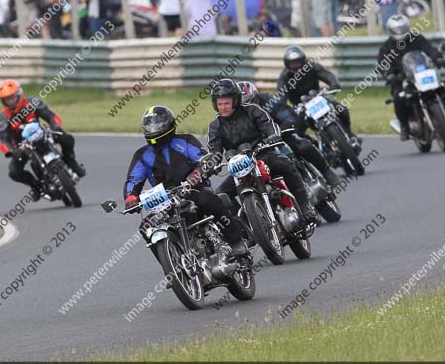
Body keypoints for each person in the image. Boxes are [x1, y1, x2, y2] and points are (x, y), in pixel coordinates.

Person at [123, 105, 247, 259]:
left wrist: (196, 175)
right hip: (166, 202)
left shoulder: (186, 141)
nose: (154, 129)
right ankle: (174, 270)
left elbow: (203, 160)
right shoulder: (141, 155)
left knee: (207, 200)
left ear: (169, 124)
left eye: (158, 124)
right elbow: (133, 180)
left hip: (194, 190)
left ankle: (236, 242)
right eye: (150, 126)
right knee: (145, 227)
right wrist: (131, 198)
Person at [208, 79, 317, 223]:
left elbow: (269, 125)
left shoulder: (252, 110)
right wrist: (211, 164)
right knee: (221, 193)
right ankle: (247, 225)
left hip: (263, 155)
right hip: (239, 166)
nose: (223, 107)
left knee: (286, 164)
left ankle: (305, 206)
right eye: (220, 104)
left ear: (235, 101)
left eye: (226, 103)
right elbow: (214, 150)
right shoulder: (215, 126)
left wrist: (273, 136)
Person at [237, 81, 341, 188]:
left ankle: (326, 171)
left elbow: (287, 115)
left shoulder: (269, 101)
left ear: (256, 97)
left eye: (251, 101)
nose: (250, 106)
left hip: (279, 134)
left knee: (301, 145)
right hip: (257, 145)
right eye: (245, 104)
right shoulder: (235, 116)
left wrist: (281, 131)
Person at [0, 79, 85, 201]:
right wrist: (11, 150)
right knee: (13, 171)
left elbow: (50, 115)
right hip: (23, 146)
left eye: (12, 97)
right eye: (7, 99)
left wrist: (55, 125)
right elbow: (3, 139)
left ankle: (71, 162)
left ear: (19, 94)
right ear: (3, 101)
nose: (10, 101)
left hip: (41, 134)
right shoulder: (3, 117)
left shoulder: (32, 103)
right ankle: (35, 186)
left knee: (66, 138)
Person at [376, 15, 445, 141]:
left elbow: (429, 49)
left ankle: (442, 113)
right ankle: (404, 126)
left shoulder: (416, 38)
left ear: (407, 27)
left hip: (420, 73)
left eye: (402, 28)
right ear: (390, 30)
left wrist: (438, 58)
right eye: (396, 29)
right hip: (400, 78)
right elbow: (383, 64)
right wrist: (389, 75)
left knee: (441, 88)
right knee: (398, 98)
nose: (399, 32)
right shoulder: (386, 47)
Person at [277, 45, 359, 145]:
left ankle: (349, 134)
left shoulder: (311, 67)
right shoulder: (284, 77)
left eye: (297, 62)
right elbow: (281, 94)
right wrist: (282, 105)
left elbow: (326, 75)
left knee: (342, 109)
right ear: (287, 64)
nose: (296, 66)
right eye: (293, 64)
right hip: (300, 107)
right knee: (294, 131)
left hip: (317, 98)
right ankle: (312, 146)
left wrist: (333, 84)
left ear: (303, 61)